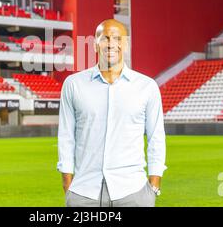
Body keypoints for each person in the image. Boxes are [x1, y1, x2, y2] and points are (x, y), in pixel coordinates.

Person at [57, 19, 167, 207]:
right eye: (105, 38)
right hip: (84, 193)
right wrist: (68, 184)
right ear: (95, 44)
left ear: (125, 44)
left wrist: (154, 185)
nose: (111, 43)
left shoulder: (147, 87)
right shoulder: (73, 84)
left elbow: (156, 137)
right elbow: (66, 137)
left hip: (133, 192)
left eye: (117, 38)